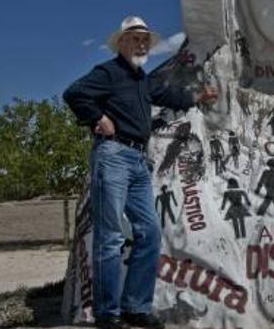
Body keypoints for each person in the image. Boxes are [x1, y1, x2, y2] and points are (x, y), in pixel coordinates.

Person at [63, 16, 218, 329]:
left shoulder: (142, 81)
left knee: (149, 232)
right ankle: (107, 315)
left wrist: (197, 97)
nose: (142, 43)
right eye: (135, 38)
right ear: (122, 43)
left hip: (137, 159)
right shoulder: (108, 72)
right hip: (113, 154)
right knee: (110, 237)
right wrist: (97, 117)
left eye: (145, 39)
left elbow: (166, 97)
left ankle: (135, 306)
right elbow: (74, 93)